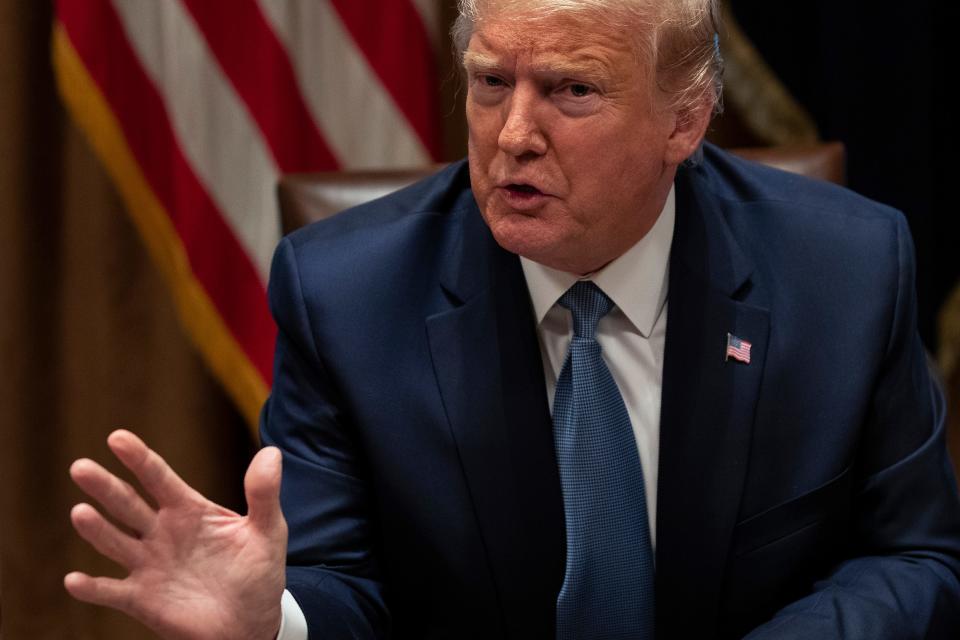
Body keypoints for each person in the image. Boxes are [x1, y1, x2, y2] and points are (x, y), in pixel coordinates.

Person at [65, 0, 960, 638]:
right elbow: (344, 584)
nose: (512, 135)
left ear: (684, 121)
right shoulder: (346, 295)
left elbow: (914, 560)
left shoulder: (846, 270)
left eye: (572, 91)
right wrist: (275, 623)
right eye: (491, 81)